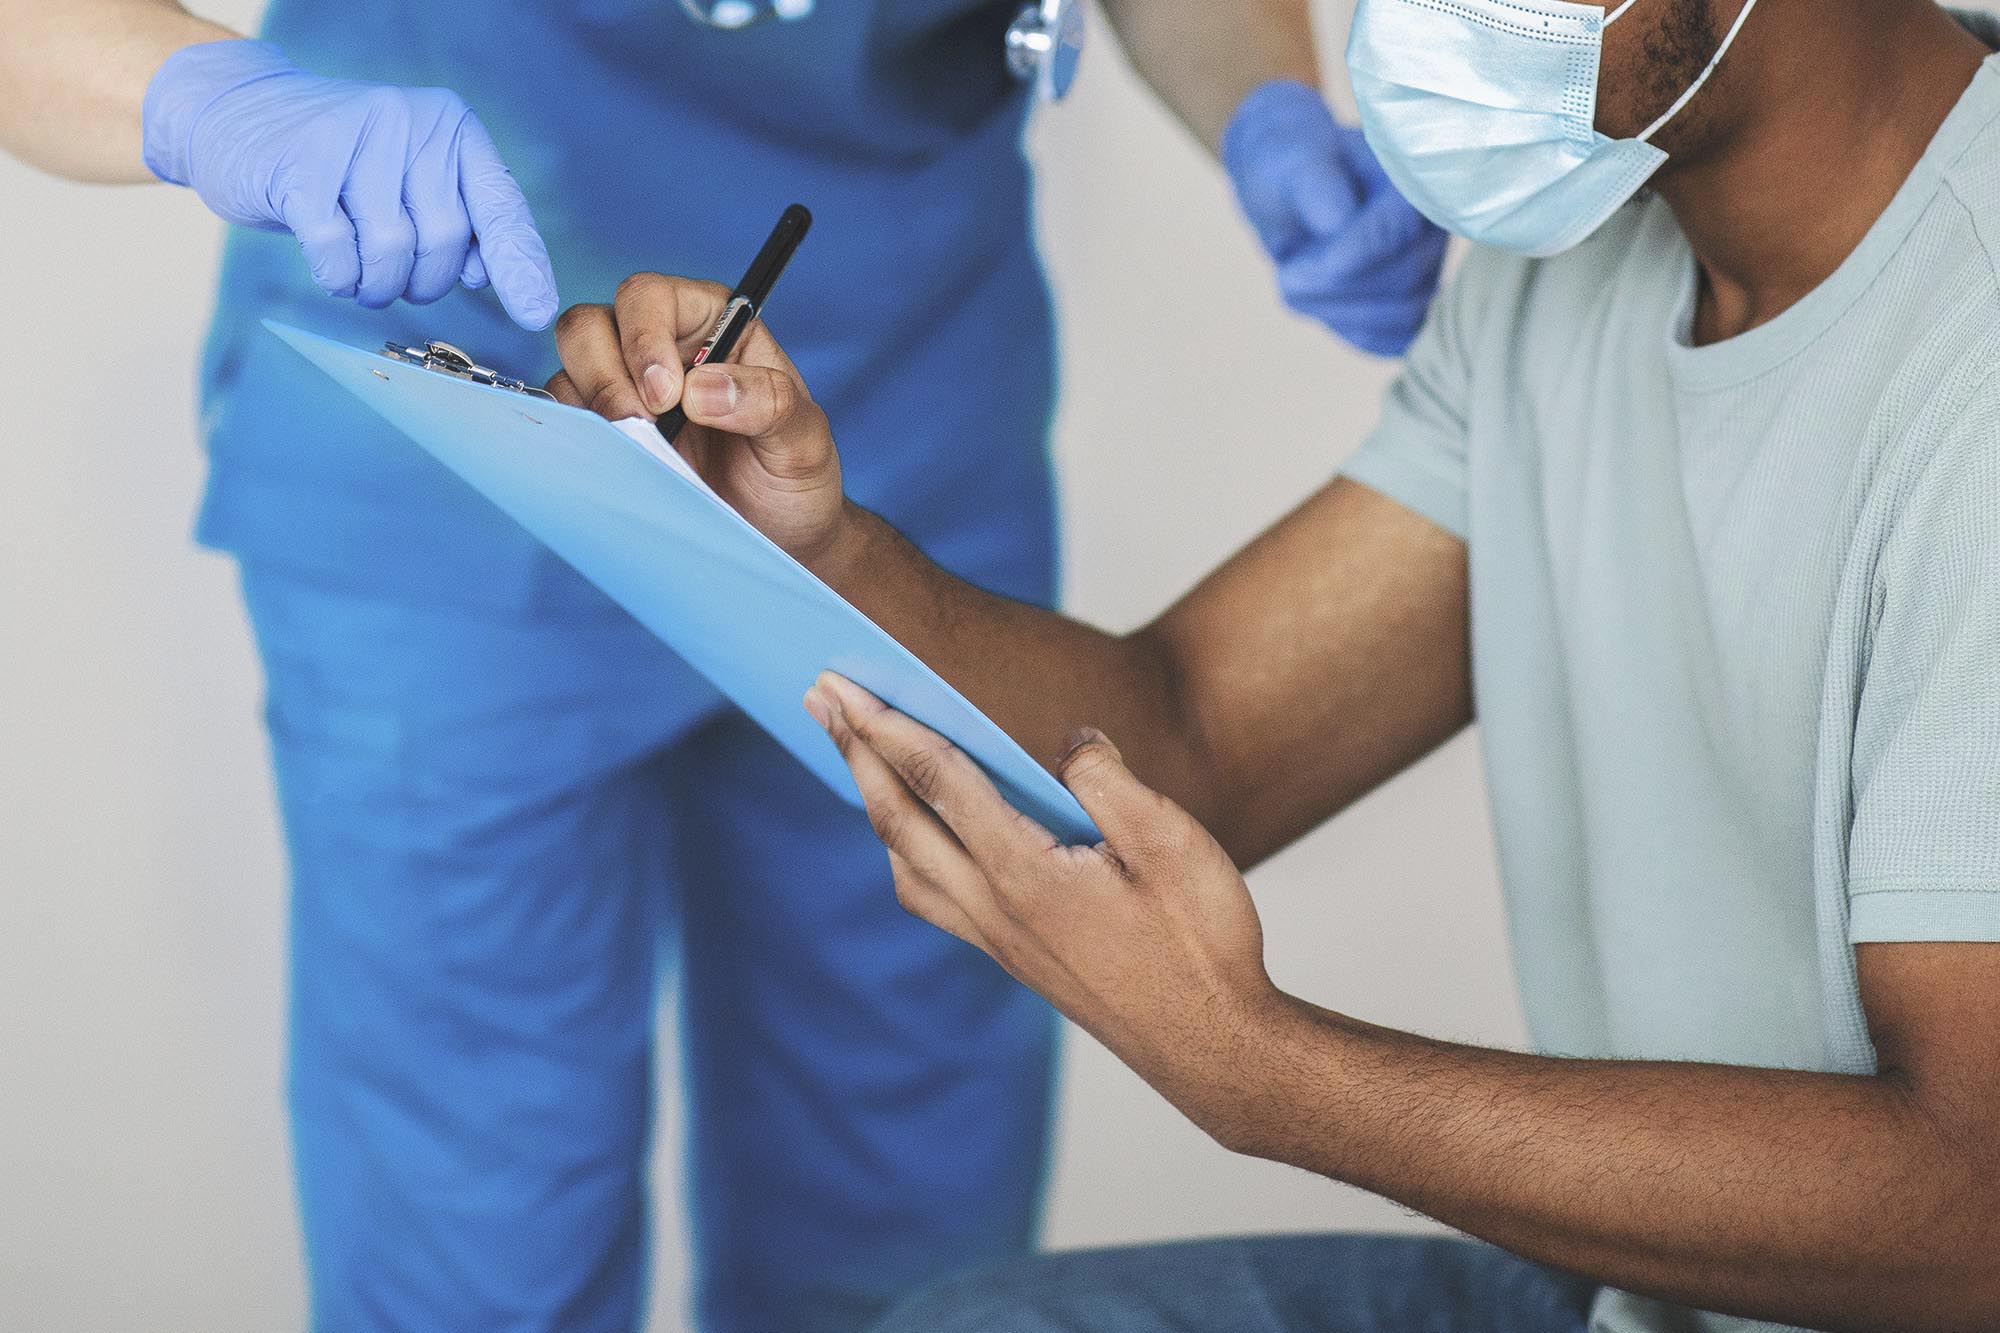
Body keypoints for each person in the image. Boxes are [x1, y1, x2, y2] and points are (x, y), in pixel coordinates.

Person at [546, 0, 2000, 1328]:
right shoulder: (1580, 270)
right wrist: (813, 545)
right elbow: (1197, 735)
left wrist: (1271, 1075)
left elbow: (1976, 1208)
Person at [0, 2, 1447, 1330]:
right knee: (473, 1244)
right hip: (452, 464)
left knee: (913, 1244)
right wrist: (206, 97)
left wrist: (1267, 109)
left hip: (906, 442)